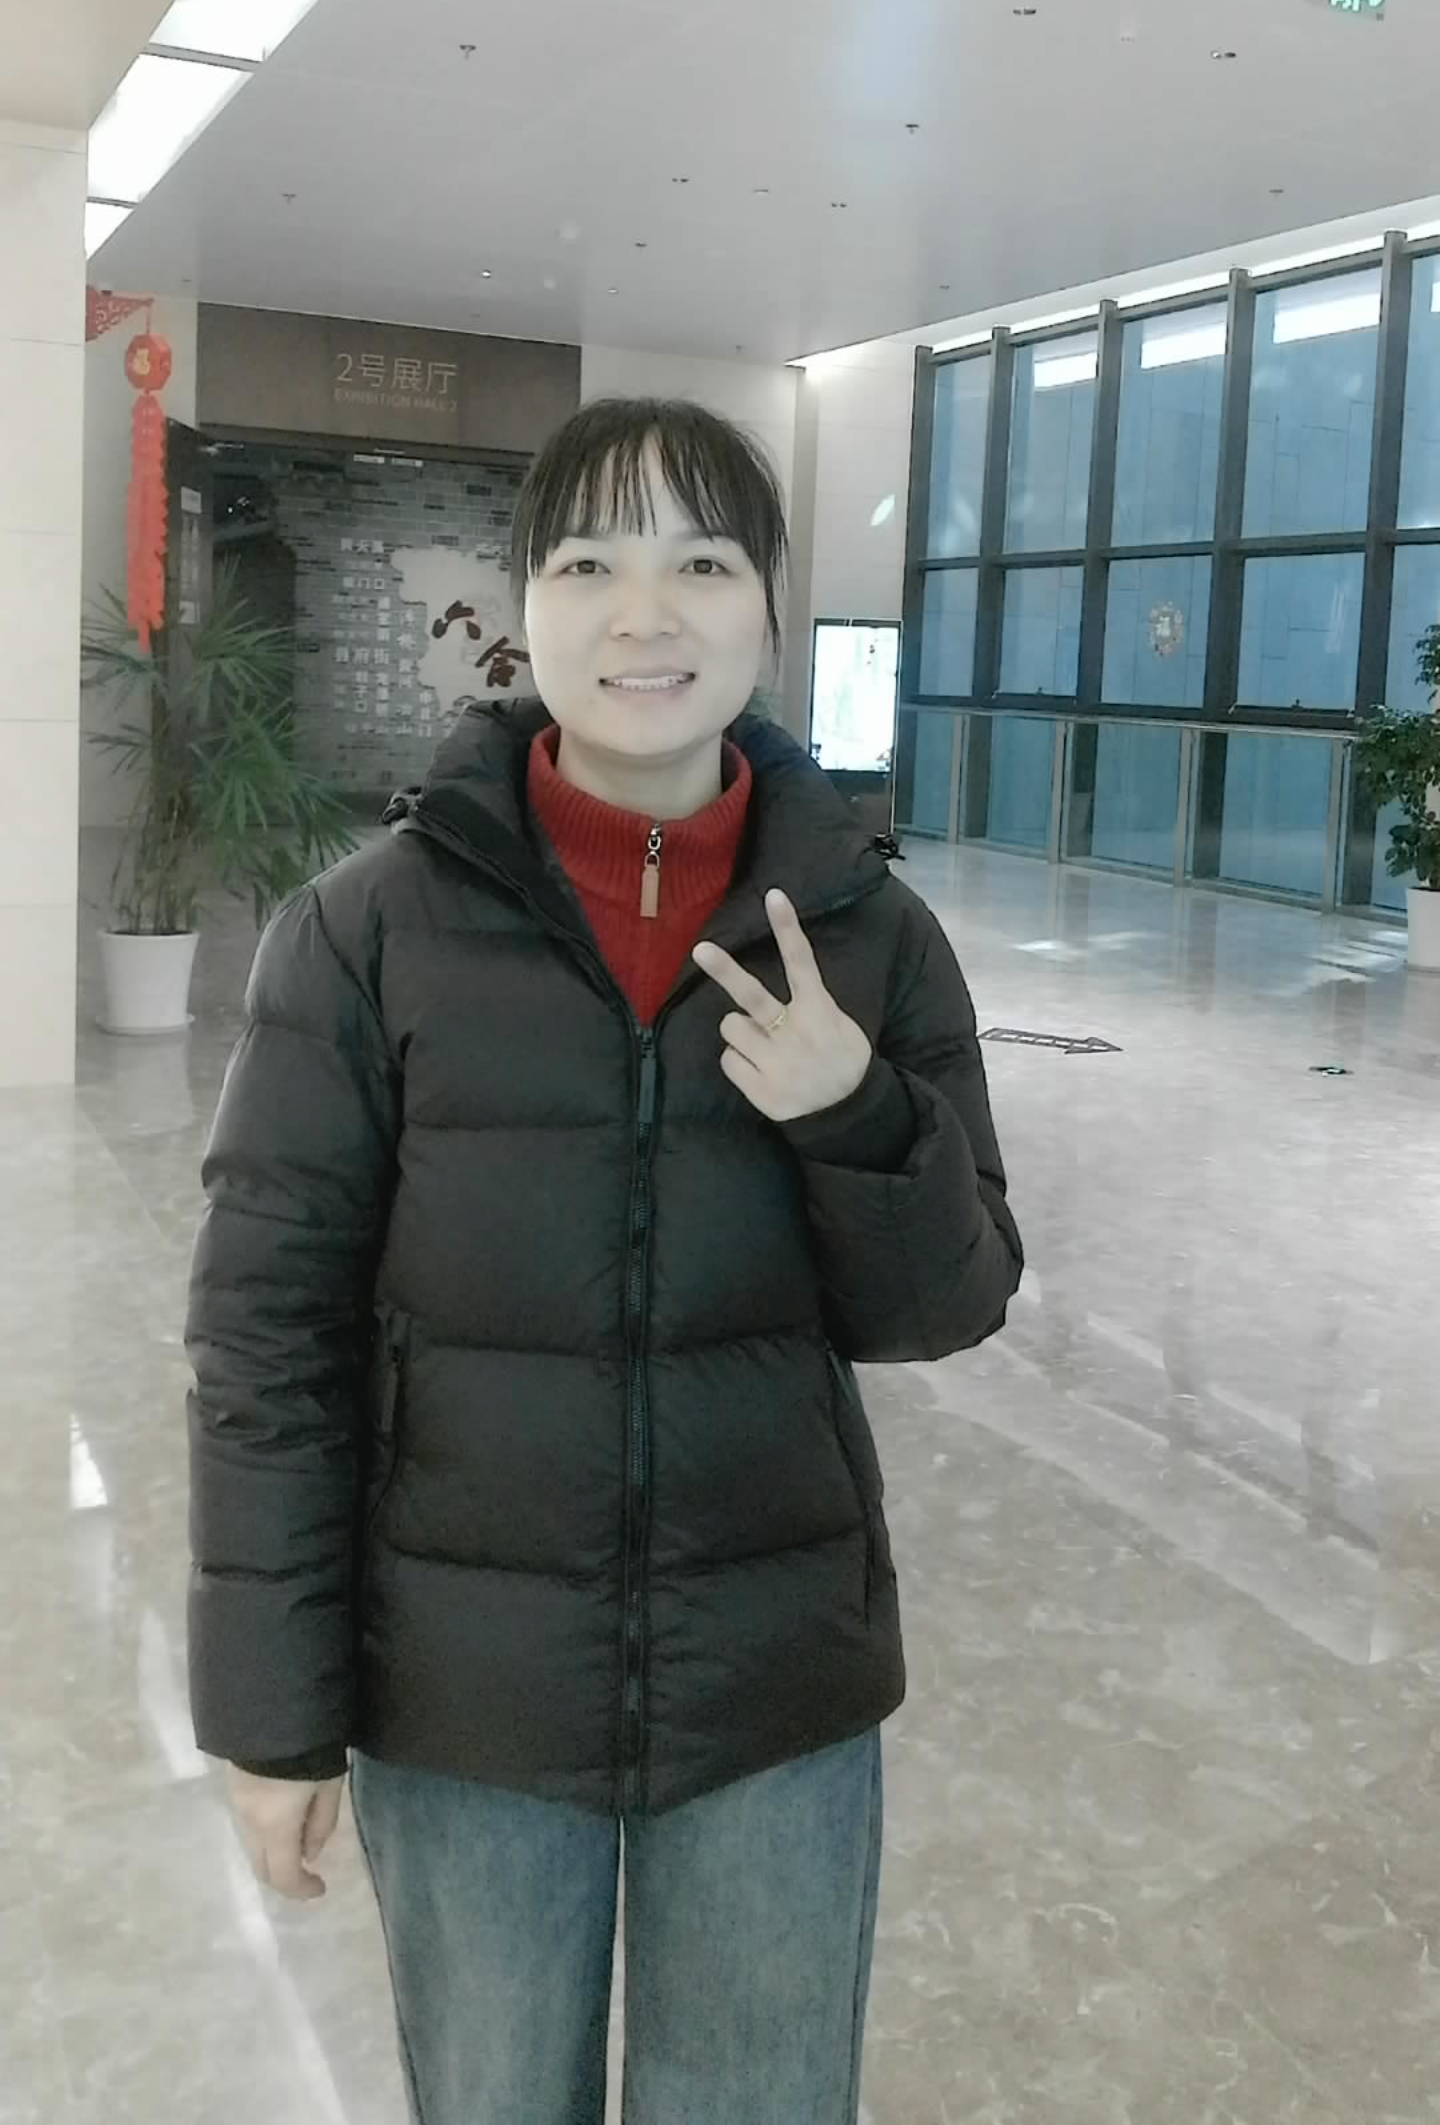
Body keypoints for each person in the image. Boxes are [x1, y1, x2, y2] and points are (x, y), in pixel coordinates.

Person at [186, 396, 1023, 2125]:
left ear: (772, 607)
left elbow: (948, 1304)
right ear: (526, 606)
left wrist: (859, 1113)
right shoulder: (364, 932)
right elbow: (268, 1339)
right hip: (466, 1696)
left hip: (774, 1683)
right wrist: (272, 1714)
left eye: (702, 564)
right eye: (589, 564)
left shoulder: (869, 934)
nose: (646, 615)